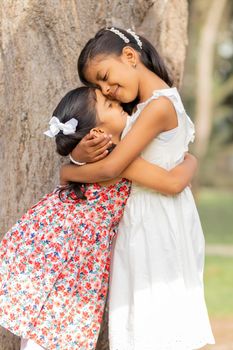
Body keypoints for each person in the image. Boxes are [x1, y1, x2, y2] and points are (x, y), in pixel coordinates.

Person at [0, 87, 196, 350]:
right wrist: (191, 160)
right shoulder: (115, 158)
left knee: (45, 320)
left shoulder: (103, 158)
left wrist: (69, 168)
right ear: (97, 133)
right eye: (108, 103)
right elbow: (172, 183)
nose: (116, 100)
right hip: (71, 247)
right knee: (53, 320)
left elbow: (66, 175)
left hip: (58, 240)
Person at [60, 27, 215, 349]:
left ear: (130, 56)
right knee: (146, 315)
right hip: (152, 215)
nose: (107, 89)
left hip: (153, 221)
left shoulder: (157, 107)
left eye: (105, 76)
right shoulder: (149, 106)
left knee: (151, 315)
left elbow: (114, 167)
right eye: (99, 87)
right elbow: (178, 162)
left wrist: (69, 170)